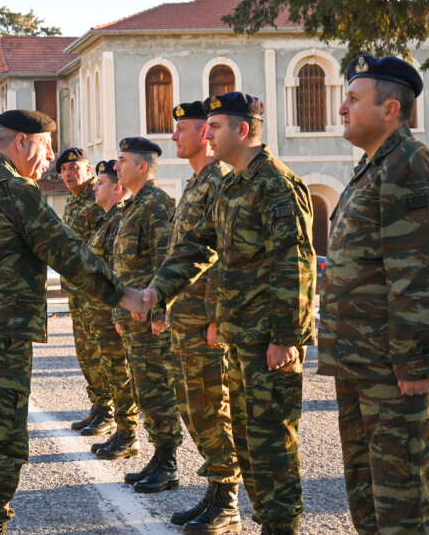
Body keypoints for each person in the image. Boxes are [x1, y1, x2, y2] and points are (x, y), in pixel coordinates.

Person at [0, 110, 144, 535]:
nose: (49, 157)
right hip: (1, 334)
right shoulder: (13, 188)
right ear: (22, 143)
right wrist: (124, 295)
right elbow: (66, 251)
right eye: (46, 146)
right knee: (1, 439)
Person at [139, 92, 316, 534]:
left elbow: (294, 263)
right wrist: (156, 292)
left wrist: (287, 338)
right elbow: (197, 247)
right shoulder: (233, 185)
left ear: (242, 129)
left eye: (214, 126)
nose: (207, 134)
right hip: (241, 338)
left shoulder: (276, 183)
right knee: (252, 451)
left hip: (269, 341)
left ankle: (282, 528)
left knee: (273, 448)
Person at [318, 55, 429, 535]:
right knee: (370, 504)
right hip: (362, 366)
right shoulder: (372, 168)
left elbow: (426, 273)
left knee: (404, 510)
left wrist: (418, 366)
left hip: (395, 374)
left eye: (353, 99)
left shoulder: (410, 166)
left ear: (390, 108)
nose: (341, 108)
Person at [165, 102, 242, 533]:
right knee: (193, 407)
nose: (174, 137)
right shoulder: (195, 184)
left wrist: (217, 317)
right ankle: (214, 488)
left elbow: (222, 255)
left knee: (213, 406)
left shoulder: (221, 183)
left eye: (183, 129)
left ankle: (227, 499)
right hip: (184, 317)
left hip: (206, 321)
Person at [111, 136, 183, 494]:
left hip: (148, 318)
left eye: (122, 161)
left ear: (143, 166)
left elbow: (164, 262)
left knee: (157, 390)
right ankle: (158, 454)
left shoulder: (156, 205)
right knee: (144, 390)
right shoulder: (132, 205)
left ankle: (168, 463)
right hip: (132, 317)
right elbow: (123, 267)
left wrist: (159, 313)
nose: (116, 167)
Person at [85, 160, 141, 460]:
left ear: (117, 188)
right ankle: (122, 429)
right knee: (113, 373)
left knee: (121, 375)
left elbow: (120, 272)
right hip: (100, 312)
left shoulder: (120, 220)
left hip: (112, 312)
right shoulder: (105, 220)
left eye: (102, 183)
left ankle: (128, 433)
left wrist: (118, 312)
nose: (95, 187)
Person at [56, 146, 113, 436]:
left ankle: (111, 411)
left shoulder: (96, 197)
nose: (68, 173)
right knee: (85, 352)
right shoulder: (73, 200)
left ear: (88, 170)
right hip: (77, 290)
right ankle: (99, 405)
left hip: (94, 291)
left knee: (102, 351)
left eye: (74, 168)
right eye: (64, 170)